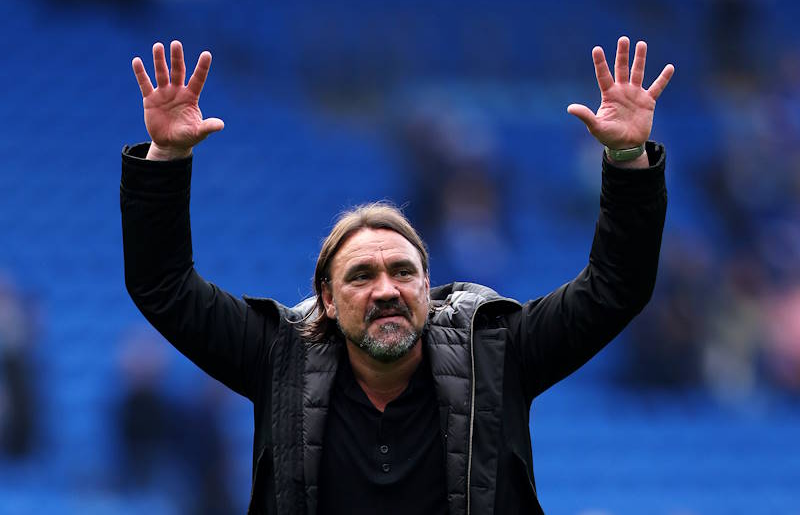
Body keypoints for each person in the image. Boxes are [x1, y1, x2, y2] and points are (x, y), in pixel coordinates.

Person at [121, 37, 673, 514]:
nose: (386, 290)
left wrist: (627, 156)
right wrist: (166, 157)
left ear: (428, 288)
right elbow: (163, 286)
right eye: (361, 276)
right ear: (326, 300)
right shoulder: (279, 356)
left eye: (403, 272)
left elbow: (616, 286)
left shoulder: (495, 354)